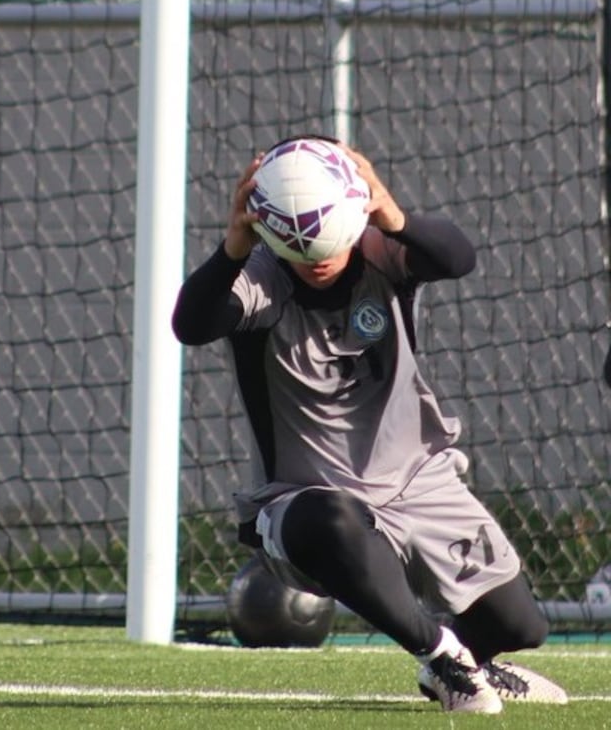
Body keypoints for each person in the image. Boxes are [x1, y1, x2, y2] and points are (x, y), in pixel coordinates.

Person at [171, 137, 567, 714]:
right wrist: (231, 248)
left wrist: (392, 211)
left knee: (520, 624)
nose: (317, 258)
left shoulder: (382, 250)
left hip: (417, 485)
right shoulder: (258, 278)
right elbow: (192, 323)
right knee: (330, 515)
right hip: (304, 504)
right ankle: (442, 658)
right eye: (301, 247)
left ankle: (475, 662)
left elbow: (457, 258)